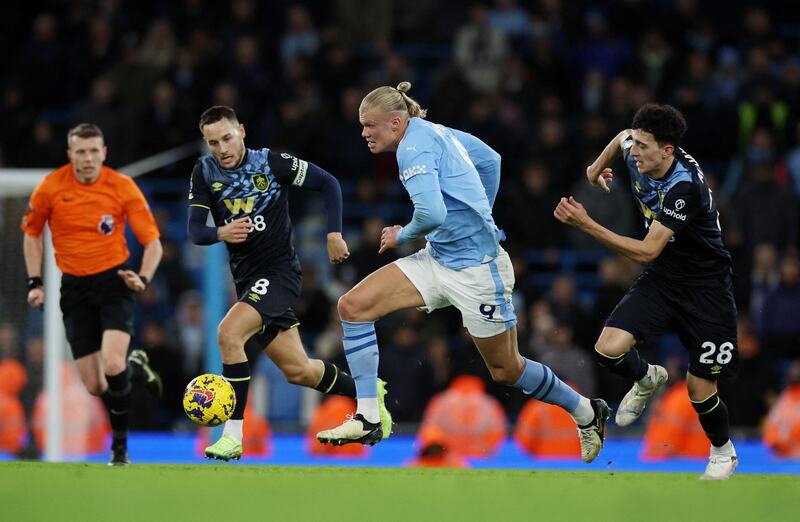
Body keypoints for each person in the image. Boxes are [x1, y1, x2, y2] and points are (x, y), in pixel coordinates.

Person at [316, 82, 610, 463]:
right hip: (438, 258)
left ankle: (587, 411)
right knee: (353, 307)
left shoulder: (412, 148)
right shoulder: (435, 131)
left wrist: (400, 233)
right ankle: (369, 416)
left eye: (369, 125)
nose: (364, 133)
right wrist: (477, 211)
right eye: (361, 125)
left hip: (478, 271)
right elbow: (491, 161)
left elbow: (432, 214)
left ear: (395, 121)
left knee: (506, 370)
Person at [187, 105, 391, 462]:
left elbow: (328, 183)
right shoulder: (204, 172)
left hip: (280, 274)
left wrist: (333, 234)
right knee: (299, 370)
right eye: (213, 142)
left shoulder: (272, 164)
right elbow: (195, 231)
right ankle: (369, 392)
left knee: (229, 333)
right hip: (249, 282)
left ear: (243, 131)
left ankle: (232, 436)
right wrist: (222, 231)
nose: (222, 148)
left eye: (227, 138)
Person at [554, 103, 740, 479]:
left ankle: (722, 452)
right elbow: (621, 136)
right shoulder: (635, 148)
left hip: (707, 288)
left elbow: (646, 250)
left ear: (667, 151)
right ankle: (645, 376)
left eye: (643, 146)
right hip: (665, 278)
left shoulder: (683, 187)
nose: (634, 152)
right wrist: (593, 171)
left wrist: (588, 223)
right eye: (636, 144)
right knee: (607, 347)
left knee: (699, 385)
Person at [21, 123, 164, 465]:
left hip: (114, 282)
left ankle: (120, 449)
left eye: (93, 151)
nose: (87, 158)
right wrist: (34, 282)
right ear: (70, 155)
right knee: (95, 386)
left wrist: (142, 279)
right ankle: (135, 364)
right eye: (80, 152)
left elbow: (152, 242)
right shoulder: (50, 187)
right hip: (74, 288)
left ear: (104, 153)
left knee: (111, 362)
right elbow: (32, 234)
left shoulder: (122, 186)